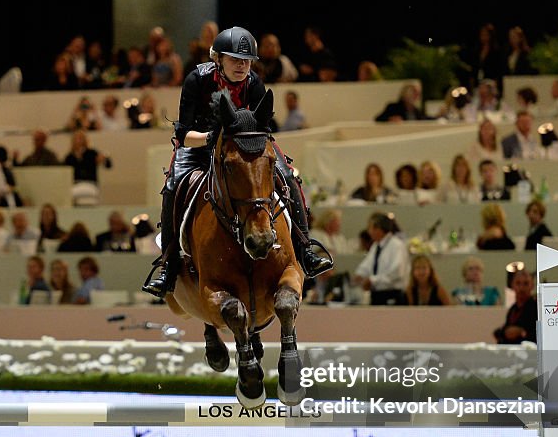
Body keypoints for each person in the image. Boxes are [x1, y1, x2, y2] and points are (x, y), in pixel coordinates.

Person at [142, 26, 332, 298]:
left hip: (245, 146)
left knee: (287, 176)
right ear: (217, 59)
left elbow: (259, 125)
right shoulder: (197, 79)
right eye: (235, 59)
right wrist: (211, 139)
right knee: (173, 185)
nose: (242, 66)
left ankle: (305, 248)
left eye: (246, 61)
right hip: (200, 143)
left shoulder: (253, 82)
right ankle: (168, 266)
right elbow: (182, 133)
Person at [351, 212, 409, 305]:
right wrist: (359, 275)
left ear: (379, 229)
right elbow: (367, 265)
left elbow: (396, 272)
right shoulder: (376, 246)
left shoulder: (397, 245)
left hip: (392, 294)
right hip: (377, 295)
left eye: (370, 228)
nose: (369, 232)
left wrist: (373, 280)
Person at [494, 269, 537, 344]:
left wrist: (522, 332)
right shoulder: (513, 309)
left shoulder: (536, 308)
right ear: (512, 285)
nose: (521, 288)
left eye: (526, 284)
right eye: (518, 283)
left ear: (532, 285)